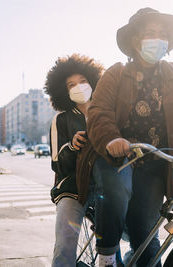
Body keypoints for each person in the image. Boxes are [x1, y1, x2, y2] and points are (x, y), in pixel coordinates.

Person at [86, 8, 173, 267]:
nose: (157, 39)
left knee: (146, 239)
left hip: (157, 166)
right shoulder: (115, 74)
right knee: (117, 187)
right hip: (118, 158)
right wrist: (111, 139)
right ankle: (106, 257)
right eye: (150, 33)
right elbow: (99, 113)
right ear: (135, 40)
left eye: (162, 34)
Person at [44, 54, 104, 267]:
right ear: (64, 91)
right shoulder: (61, 120)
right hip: (71, 189)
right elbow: (57, 163)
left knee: (115, 243)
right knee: (65, 246)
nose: (78, 87)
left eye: (83, 81)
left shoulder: (107, 113)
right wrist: (72, 146)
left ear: (93, 82)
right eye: (71, 84)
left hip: (105, 186)